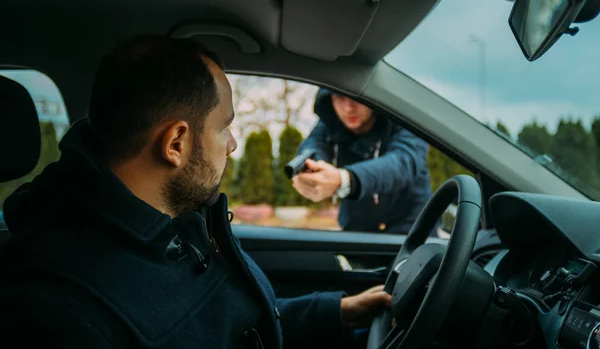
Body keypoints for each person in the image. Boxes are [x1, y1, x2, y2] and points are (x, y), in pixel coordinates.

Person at [0, 36, 391, 348]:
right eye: (224, 127)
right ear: (175, 144)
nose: (233, 144)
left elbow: (232, 323)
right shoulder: (58, 312)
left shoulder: (174, 225)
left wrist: (335, 313)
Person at [293, 89, 433, 235]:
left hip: (412, 232)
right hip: (357, 232)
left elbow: (404, 161)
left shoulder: (405, 118)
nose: (348, 108)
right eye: (340, 97)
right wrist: (315, 170)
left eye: (356, 97)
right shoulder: (330, 123)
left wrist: (344, 180)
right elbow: (312, 146)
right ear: (330, 99)